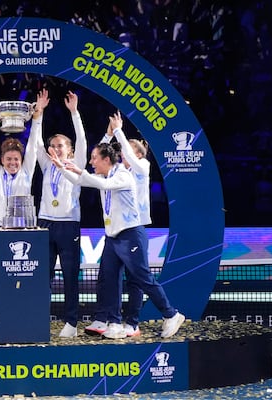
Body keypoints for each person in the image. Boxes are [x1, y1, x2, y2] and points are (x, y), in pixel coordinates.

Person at [50, 142, 185, 339]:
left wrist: (80, 170)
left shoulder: (123, 175)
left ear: (106, 159)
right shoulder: (105, 175)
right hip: (113, 238)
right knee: (109, 280)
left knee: (142, 277)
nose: (91, 162)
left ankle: (171, 314)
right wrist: (61, 167)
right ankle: (114, 323)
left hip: (130, 235)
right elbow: (80, 181)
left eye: (94, 158)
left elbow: (102, 184)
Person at [0, 88, 49, 339]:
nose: (12, 162)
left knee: (22, 278)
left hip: (23, 231)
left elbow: (32, 146)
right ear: (1, 160)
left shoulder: (27, 172)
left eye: (16, 159)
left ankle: (20, 317)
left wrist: (37, 118)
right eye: (8, 159)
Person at [36, 90, 87, 338]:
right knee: (42, 275)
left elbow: (83, 140)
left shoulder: (77, 165)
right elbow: (36, 144)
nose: (55, 149)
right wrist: (39, 114)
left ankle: (71, 323)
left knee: (69, 276)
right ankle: (39, 318)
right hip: (45, 223)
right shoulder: (46, 164)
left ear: (70, 150)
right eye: (52, 146)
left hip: (68, 224)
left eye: (61, 146)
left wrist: (74, 113)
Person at [98, 111, 151, 337]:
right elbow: (99, 158)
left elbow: (129, 153)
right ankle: (114, 320)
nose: (122, 153)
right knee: (111, 276)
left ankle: (133, 322)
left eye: (127, 150)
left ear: (138, 154)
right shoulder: (117, 173)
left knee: (136, 279)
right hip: (117, 230)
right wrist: (108, 136)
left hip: (135, 230)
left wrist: (119, 131)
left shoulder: (142, 167)